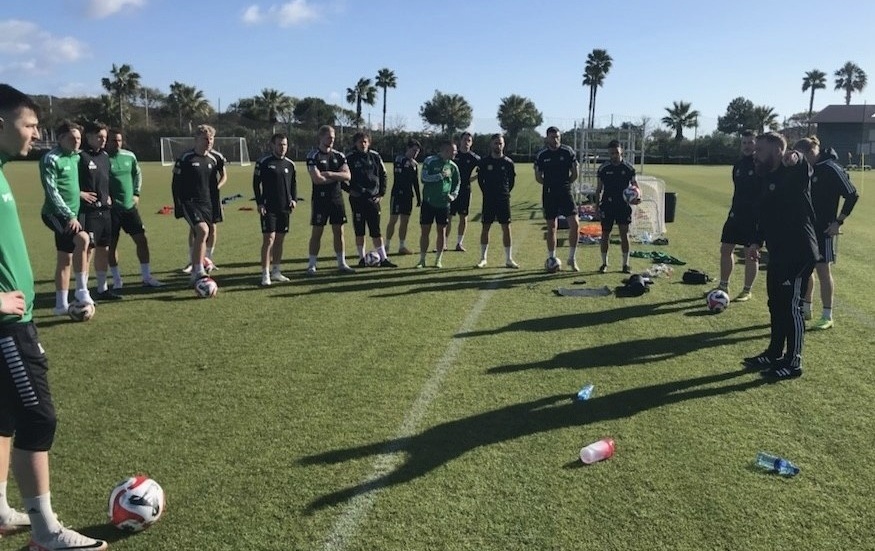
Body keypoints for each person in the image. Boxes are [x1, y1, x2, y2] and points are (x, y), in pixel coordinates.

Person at [0, 83, 108, 551]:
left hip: (13, 323)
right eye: (29, 124)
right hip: (7, 327)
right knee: (38, 417)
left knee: (4, 416)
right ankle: (46, 532)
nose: (36, 133)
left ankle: (1, 511)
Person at [742, 132, 817, 380]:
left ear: (777, 151)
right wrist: (755, 241)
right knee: (776, 304)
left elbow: (803, 164)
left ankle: (793, 362)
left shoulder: (793, 172)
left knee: (791, 307)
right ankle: (774, 353)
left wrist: (795, 156)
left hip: (798, 253)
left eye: (760, 150)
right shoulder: (767, 178)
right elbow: (765, 215)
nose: (755, 155)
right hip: (778, 253)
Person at [794, 136, 859, 330]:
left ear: (813, 151)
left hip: (823, 229)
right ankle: (806, 308)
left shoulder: (831, 168)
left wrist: (838, 222)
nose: (803, 159)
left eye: (805, 155)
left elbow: (852, 194)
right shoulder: (804, 168)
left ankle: (827, 315)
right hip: (805, 228)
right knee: (804, 269)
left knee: (823, 271)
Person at [39, 121, 93, 313]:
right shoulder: (51, 159)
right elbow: (52, 191)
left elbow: (70, 184)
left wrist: (80, 194)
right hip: (54, 214)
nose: (76, 142)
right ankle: (81, 290)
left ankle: (60, 305)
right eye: (72, 138)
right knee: (83, 239)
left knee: (65, 258)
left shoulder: (76, 157)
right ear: (60, 138)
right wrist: (70, 215)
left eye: (79, 138)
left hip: (73, 214)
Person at [106, 128, 163, 289]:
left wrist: (136, 193)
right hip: (111, 210)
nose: (116, 143)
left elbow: (137, 174)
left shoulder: (129, 156)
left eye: (118, 140)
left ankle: (146, 276)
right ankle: (117, 280)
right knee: (111, 246)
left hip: (129, 207)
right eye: (112, 140)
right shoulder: (102, 158)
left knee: (142, 240)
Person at [712, 130, 760, 301]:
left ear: (756, 144)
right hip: (735, 214)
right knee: (725, 249)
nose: (747, 146)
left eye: (750, 143)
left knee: (750, 254)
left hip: (753, 217)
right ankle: (723, 285)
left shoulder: (760, 164)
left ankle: (747, 290)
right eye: (744, 143)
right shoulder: (738, 164)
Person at [171, 124, 221, 284]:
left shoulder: (213, 159)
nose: (208, 142)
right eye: (205, 139)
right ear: (196, 139)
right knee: (201, 230)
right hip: (189, 202)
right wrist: (178, 205)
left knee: (206, 231)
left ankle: (201, 265)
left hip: (207, 202)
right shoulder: (186, 158)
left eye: (211, 139)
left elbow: (215, 183)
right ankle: (197, 270)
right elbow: (175, 184)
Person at [78, 121, 121, 301]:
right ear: (88, 137)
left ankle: (102, 289)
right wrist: (79, 193)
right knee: (88, 249)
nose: (103, 140)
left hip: (105, 211)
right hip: (89, 212)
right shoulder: (80, 157)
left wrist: (108, 196)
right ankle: (83, 290)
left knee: (104, 248)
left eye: (105, 137)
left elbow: (106, 181)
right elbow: (68, 181)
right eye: (99, 137)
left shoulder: (104, 156)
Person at [305, 125, 355, 275]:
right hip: (320, 200)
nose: (331, 140)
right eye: (328, 137)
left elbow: (348, 176)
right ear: (320, 138)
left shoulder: (339, 156)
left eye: (333, 137)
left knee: (339, 232)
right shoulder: (313, 156)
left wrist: (330, 174)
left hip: (337, 198)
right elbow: (317, 179)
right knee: (317, 232)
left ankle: (341, 263)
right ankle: (312, 264)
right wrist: (335, 176)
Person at [345, 131, 396, 267]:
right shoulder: (349, 158)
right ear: (355, 143)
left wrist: (381, 193)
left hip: (373, 199)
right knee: (359, 230)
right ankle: (362, 259)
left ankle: (384, 259)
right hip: (357, 200)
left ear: (369, 142)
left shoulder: (375, 156)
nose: (363, 144)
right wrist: (350, 190)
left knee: (376, 230)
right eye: (360, 141)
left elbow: (383, 175)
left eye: (365, 141)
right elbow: (342, 177)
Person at [253, 133, 297, 286]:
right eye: (279, 144)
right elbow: (256, 184)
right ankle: (265, 274)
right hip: (268, 207)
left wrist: (294, 199)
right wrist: (260, 203)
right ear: (272, 145)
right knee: (269, 239)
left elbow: (293, 185)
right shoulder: (263, 162)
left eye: (284, 144)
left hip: (284, 207)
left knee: (280, 239)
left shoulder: (290, 164)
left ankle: (276, 271)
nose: (282, 147)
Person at [534, 126, 580, 270]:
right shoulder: (541, 155)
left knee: (575, 224)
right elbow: (538, 177)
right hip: (549, 193)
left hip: (565, 192)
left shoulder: (567, 151)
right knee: (552, 227)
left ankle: (572, 258)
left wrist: (565, 184)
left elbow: (574, 173)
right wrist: (550, 185)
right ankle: (551, 258)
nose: (556, 140)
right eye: (553, 137)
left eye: (558, 137)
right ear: (547, 138)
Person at [596, 139, 639, 274]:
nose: (614, 155)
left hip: (623, 205)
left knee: (624, 234)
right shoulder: (603, 168)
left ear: (622, 152)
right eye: (612, 153)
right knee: (605, 234)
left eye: (617, 153)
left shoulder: (629, 168)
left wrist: (637, 197)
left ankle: (625, 264)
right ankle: (604, 263)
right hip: (607, 205)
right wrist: (596, 206)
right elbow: (598, 189)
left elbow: (635, 186)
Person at [475, 133, 518, 269]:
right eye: (495, 143)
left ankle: (509, 259)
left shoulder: (508, 163)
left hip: (503, 199)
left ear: (503, 144)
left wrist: (504, 192)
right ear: (491, 144)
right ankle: (483, 258)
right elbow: (480, 181)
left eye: (500, 143)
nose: (498, 146)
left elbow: (511, 182)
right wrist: (487, 192)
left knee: (506, 227)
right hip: (488, 199)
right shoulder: (484, 162)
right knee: (485, 227)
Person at [416, 140, 460, 268]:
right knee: (425, 231)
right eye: (453, 151)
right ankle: (422, 259)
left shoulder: (453, 166)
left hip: (443, 205)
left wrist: (453, 196)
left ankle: (438, 260)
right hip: (428, 203)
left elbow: (457, 183)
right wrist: (439, 176)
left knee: (441, 232)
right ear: (446, 150)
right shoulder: (430, 161)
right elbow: (424, 178)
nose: (455, 153)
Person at [385, 139, 422, 255]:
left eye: (417, 151)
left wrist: (418, 197)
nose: (415, 153)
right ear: (408, 148)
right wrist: (408, 162)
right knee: (393, 220)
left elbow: (415, 182)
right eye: (414, 150)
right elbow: (399, 175)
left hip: (407, 196)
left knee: (405, 221)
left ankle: (402, 246)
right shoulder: (399, 159)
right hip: (397, 195)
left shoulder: (414, 165)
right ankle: (386, 245)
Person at [449, 131, 480, 252]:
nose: (466, 142)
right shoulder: (454, 155)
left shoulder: (474, 158)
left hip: (465, 191)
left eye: (469, 140)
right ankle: (444, 243)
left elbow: (481, 171)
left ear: (471, 143)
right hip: (451, 190)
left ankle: (459, 243)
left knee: (463, 217)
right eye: (464, 140)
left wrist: (470, 179)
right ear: (460, 141)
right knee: (448, 216)